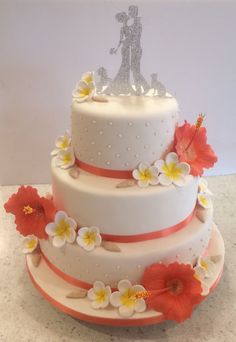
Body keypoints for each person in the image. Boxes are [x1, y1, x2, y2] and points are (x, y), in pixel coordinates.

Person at [109, 12, 134, 95]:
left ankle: (124, 86)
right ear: (123, 19)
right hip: (125, 49)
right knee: (125, 66)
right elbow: (120, 40)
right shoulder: (122, 29)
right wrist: (116, 49)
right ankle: (116, 86)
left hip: (129, 49)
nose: (127, 18)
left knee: (127, 66)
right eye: (125, 17)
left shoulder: (130, 28)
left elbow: (132, 38)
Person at [128, 5, 150, 95]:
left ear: (135, 12)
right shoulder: (134, 24)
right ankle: (139, 89)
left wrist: (128, 32)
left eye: (130, 11)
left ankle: (144, 86)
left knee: (135, 70)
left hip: (136, 49)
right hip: (135, 49)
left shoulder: (137, 24)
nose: (129, 13)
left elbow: (136, 37)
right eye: (129, 11)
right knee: (135, 70)